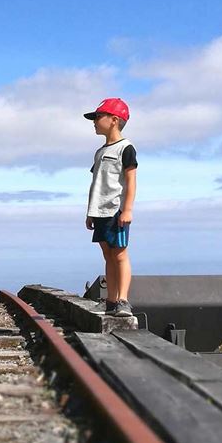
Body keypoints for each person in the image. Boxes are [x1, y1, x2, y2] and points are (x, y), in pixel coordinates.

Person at [83, 98, 138, 317]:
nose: (94, 122)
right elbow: (96, 183)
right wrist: (90, 212)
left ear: (114, 120)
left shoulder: (126, 148)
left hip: (116, 209)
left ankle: (123, 300)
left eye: (98, 117)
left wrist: (127, 209)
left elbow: (131, 181)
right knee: (108, 254)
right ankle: (111, 301)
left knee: (120, 254)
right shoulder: (99, 151)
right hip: (100, 211)